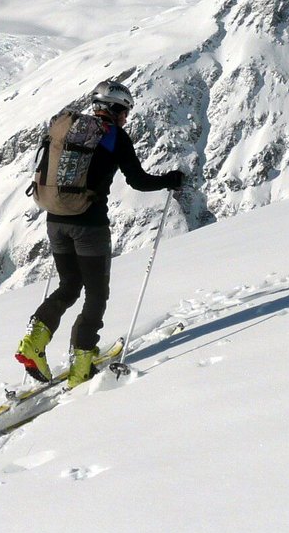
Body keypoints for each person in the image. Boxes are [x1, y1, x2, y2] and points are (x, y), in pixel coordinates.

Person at [16, 80, 185, 387]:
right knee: (96, 293)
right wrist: (170, 180)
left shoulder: (68, 128)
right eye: (124, 111)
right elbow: (138, 181)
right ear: (115, 108)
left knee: (68, 285)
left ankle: (33, 342)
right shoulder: (114, 137)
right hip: (89, 225)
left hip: (55, 219)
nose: (126, 118)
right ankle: (82, 360)